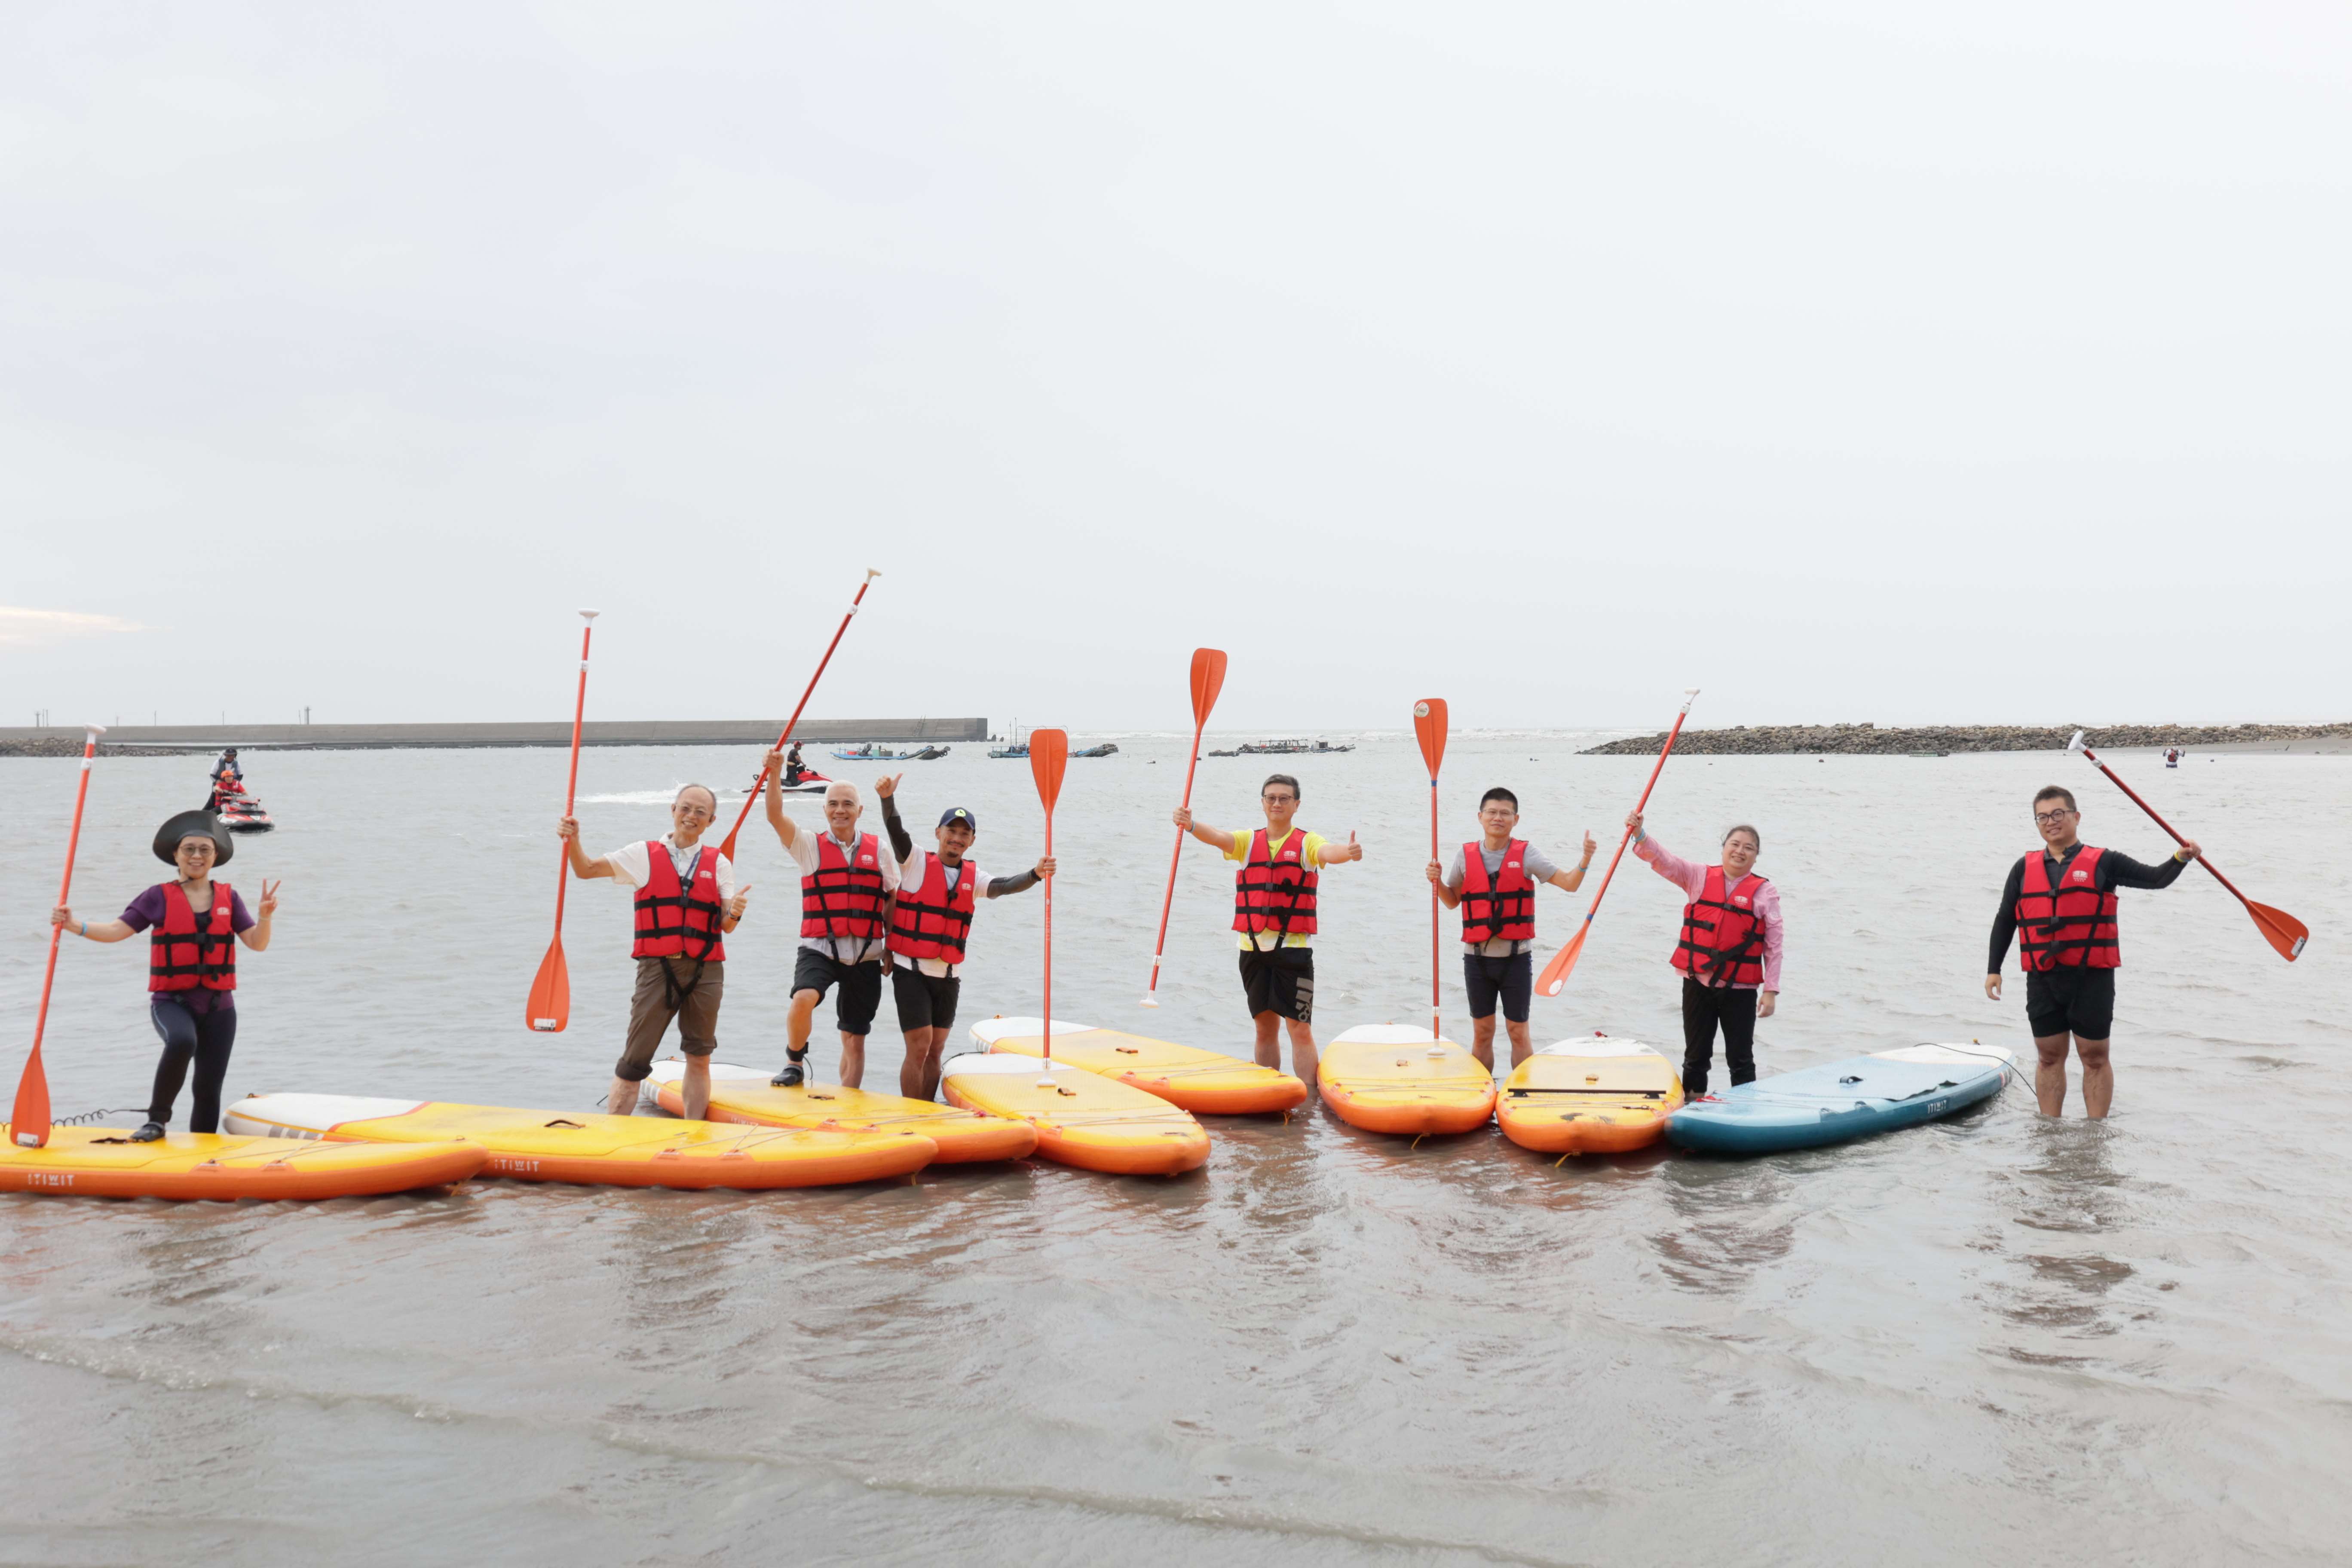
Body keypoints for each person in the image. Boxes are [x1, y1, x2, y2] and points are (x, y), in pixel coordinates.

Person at [50, 810, 279, 1142]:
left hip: (220, 1008)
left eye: (205, 850)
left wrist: (264, 916)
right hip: (173, 1002)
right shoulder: (157, 896)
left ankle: (203, 1146)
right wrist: (75, 926)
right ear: (176, 855)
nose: (197, 856)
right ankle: (157, 1121)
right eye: (189, 849)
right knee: (182, 1041)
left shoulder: (230, 898)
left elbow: (257, 944)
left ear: (216, 857)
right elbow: (116, 931)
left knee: (208, 1086)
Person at [1985, 784, 2198, 1119]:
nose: (2051, 822)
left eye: (2058, 814)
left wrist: (2180, 859)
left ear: (2076, 817)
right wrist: (1994, 968)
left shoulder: (2105, 862)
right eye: (2042, 817)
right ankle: (2049, 1133)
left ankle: (2096, 1136)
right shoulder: (2023, 869)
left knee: (2095, 1057)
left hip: (2092, 977)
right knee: (2048, 1057)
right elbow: (2005, 919)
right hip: (2043, 976)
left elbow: (2155, 879)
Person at [559, 784, 750, 1119]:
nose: (691, 817)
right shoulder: (642, 855)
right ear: (673, 810)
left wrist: (735, 910)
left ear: (711, 820)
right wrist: (574, 840)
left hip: (706, 971)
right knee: (635, 1060)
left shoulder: (719, 862)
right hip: (657, 969)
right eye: (686, 809)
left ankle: (695, 1132)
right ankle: (615, 1134)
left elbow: (727, 925)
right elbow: (585, 869)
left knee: (699, 1056)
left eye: (700, 812)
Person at [1172, 773, 1364, 1084]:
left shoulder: (1307, 843)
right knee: (1264, 1028)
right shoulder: (1248, 842)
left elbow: (1329, 852)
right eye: (1271, 798)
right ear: (1263, 803)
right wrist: (1191, 825)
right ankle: (1269, 1093)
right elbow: (1218, 837)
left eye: (1284, 798)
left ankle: (1311, 1102)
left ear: (1296, 804)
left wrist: (1349, 852)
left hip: (1294, 953)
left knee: (1299, 1029)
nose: (1277, 803)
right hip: (1252, 951)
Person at [873, 775, 1054, 1099]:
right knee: (919, 1047)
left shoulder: (974, 876)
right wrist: (888, 799)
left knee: (936, 1050)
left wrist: (1036, 874)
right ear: (938, 834)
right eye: (951, 831)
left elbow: (1004, 886)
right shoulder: (915, 862)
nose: (956, 838)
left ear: (971, 840)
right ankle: (910, 1113)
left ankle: (928, 1110)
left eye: (964, 834)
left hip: (949, 975)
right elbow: (896, 833)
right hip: (911, 971)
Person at [1425, 787, 1597, 1070]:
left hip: (1516, 960)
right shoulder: (1465, 856)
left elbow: (1570, 883)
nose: (1498, 818)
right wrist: (1438, 882)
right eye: (1492, 812)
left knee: (1519, 1033)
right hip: (1477, 959)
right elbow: (1452, 901)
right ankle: (1482, 1093)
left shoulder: (1527, 854)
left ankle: (1521, 1094)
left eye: (1505, 813)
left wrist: (1585, 861)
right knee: (1482, 1033)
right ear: (1480, 817)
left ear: (1516, 820)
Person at [1627, 811, 1784, 1099]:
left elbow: (1774, 944)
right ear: (1724, 847)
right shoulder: (1698, 876)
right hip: (1697, 982)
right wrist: (1640, 834)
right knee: (1696, 1056)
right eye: (1735, 844)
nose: (1740, 851)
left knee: (1741, 1059)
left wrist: (1771, 990)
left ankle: (1745, 1112)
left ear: (1756, 856)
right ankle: (1692, 1109)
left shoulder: (1765, 893)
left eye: (1749, 848)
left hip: (1740, 989)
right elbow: (1666, 861)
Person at [765, 761, 900, 1088]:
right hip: (820, 948)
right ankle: (794, 1061)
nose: (841, 811)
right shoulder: (808, 845)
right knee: (804, 998)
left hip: (866, 954)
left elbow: (892, 897)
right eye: (834, 804)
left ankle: (849, 1096)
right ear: (825, 809)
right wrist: (773, 773)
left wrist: (890, 948)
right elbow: (775, 816)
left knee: (854, 1037)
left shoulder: (879, 849)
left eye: (848, 804)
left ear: (860, 810)